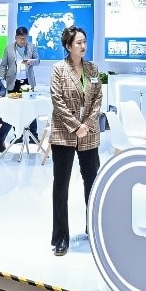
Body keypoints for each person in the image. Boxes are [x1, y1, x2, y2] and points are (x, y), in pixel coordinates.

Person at [48, 26, 102, 256]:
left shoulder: (92, 69)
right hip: (64, 133)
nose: (83, 46)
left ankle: (94, 227)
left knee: (92, 182)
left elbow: (98, 98)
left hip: (89, 133)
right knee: (61, 186)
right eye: (78, 42)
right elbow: (57, 101)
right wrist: (75, 126)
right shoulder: (58, 69)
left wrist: (86, 124)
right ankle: (61, 237)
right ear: (68, 46)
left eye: (84, 42)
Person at [0, 26, 40, 92]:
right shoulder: (8, 48)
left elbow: (37, 61)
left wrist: (30, 61)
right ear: (16, 37)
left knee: (27, 99)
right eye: (21, 38)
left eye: (25, 38)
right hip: (12, 82)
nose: (23, 41)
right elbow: (3, 65)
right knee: (12, 98)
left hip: (28, 81)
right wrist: (1, 78)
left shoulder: (31, 46)